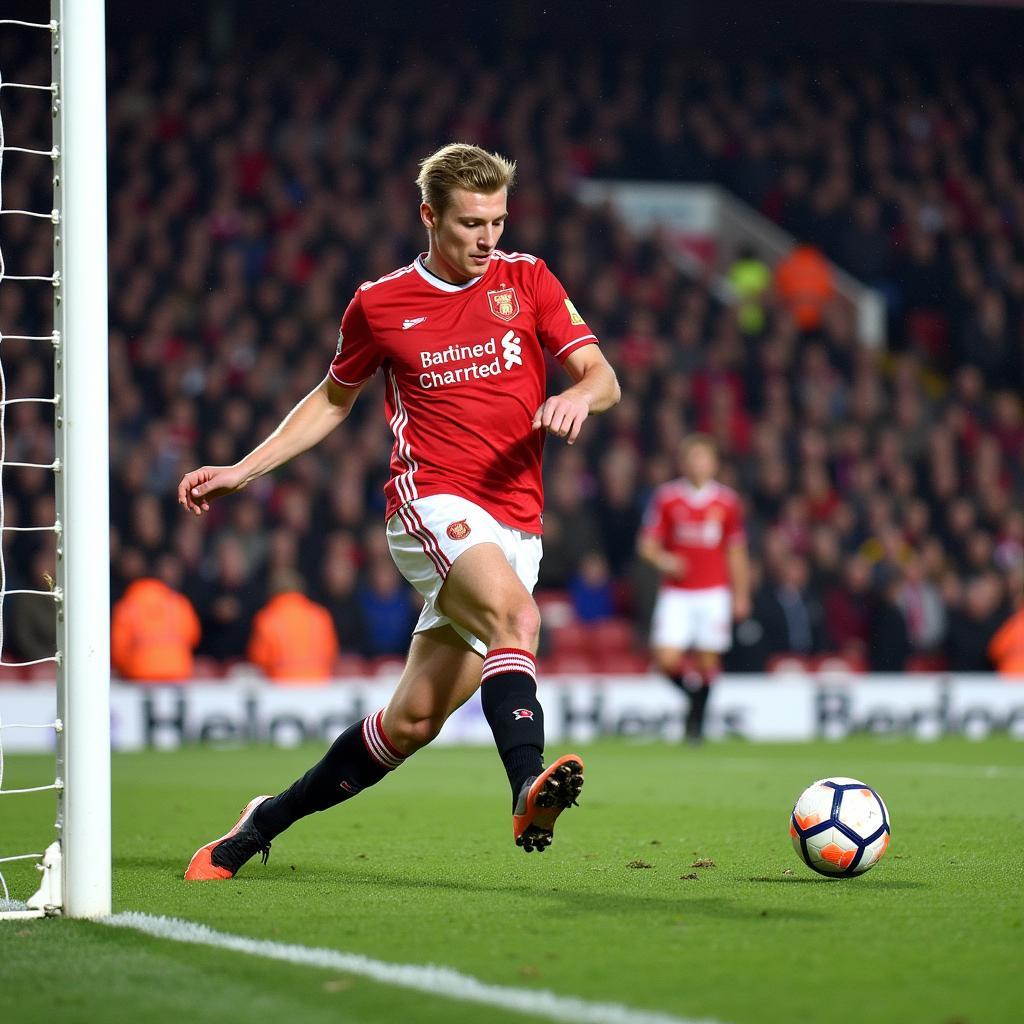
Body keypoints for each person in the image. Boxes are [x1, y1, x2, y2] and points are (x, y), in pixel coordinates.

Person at [178, 143, 620, 879]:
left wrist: (577, 394)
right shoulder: (379, 304)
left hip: (517, 526)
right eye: (471, 223)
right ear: (429, 216)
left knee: (409, 725)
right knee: (520, 622)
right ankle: (526, 788)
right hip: (432, 502)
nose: (488, 239)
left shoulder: (528, 278)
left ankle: (260, 825)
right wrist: (244, 470)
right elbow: (330, 400)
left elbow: (601, 375)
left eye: (498, 221)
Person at [637, 434, 750, 743]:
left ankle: (697, 725)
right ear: (684, 463)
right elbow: (646, 545)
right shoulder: (668, 497)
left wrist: (741, 595)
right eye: (694, 458)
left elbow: (736, 551)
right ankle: (694, 702)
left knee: (707, 661)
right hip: (677, 592)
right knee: (666, 658)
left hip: (714, 592)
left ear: (714, 463)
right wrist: (665, 560)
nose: (700, 464)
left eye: (705, 457)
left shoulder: (727, 502)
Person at [247, 570, 339, 683]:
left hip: (281, 685)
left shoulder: (267, 618)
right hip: (318, 685)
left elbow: (259, 658)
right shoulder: (320, 616)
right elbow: (331, 652)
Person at [110, 572, 201, 683]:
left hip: (138, 674)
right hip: (178, 672)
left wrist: (125, 668)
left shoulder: (126, 606)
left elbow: (118, 649)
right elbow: (194, 636)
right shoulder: (179, 603)